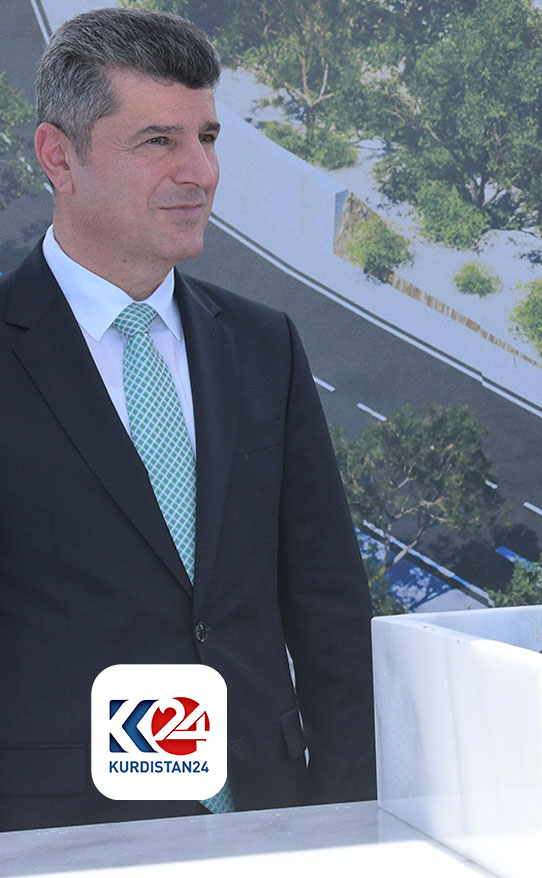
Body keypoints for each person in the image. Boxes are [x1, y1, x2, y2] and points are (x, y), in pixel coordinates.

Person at [0, 8, 374, 829]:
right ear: (58, 156)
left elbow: (329, 609)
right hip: (59, 835)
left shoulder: (262, 344)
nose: (200, 172)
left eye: (207, 137)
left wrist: (345, 820)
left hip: (263, 817)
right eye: (158, 142)